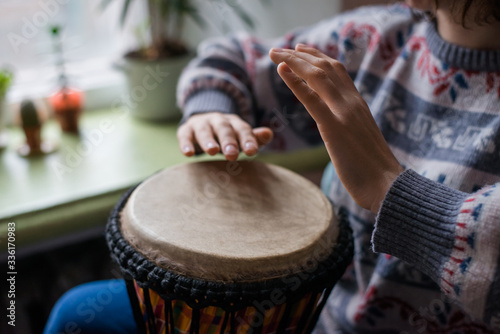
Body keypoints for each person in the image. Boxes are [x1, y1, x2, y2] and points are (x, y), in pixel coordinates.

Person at [44, 0, 500, 333]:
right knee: (76, 316)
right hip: (313, 316)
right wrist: (213, 109)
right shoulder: (374, 41)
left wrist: (386, 187)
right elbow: (233, 58)